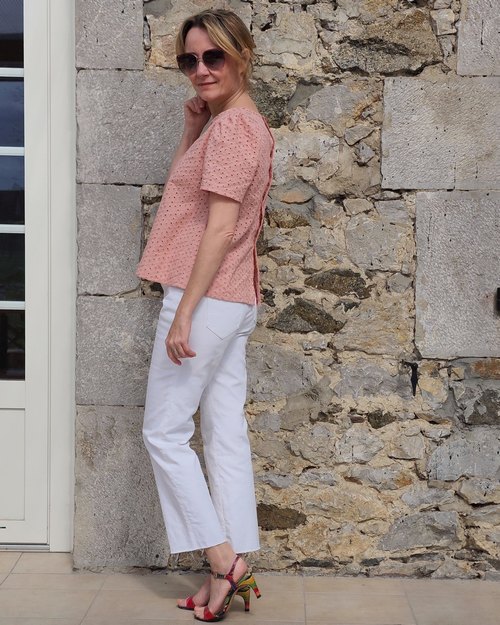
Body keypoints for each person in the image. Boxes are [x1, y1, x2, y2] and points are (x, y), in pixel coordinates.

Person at [137, 9, 275, 623]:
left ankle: (223, 561)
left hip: (208, 297)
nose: (200, 69)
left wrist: (184, 312)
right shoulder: (234, 124)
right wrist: (192, 130)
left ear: (241, 54)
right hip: (233, 297)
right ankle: (230, 570)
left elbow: (218, 229)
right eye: (189, 60)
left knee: (164, 433)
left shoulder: (234, 129)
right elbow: (182, 201)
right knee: (223, 433)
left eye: (213, 56)